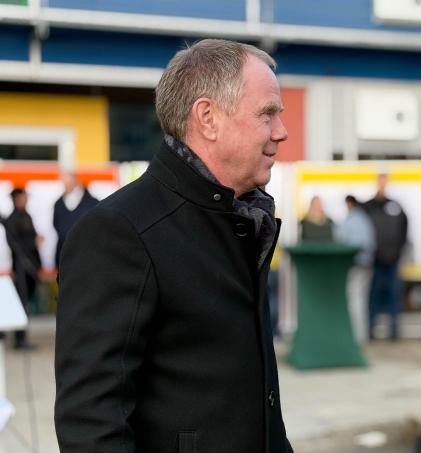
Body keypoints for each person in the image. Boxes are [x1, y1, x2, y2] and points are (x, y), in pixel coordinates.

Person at [55, 39, 294, 452]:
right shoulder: (119, 232)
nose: (281, 131)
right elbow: (91, 423)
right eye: (267, 114)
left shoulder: (240, 219)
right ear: (208, 118)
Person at [363, 174, 408, 340]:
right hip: (374, 261)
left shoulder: (395, 206)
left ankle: (394, 332)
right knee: (373, 296)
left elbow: (404, 228)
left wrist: (398, 251)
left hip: (393, 260)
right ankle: (370, 330)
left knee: (394, 296)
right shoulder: (368, 206)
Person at [3, 188, 42, 350]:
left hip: (30, 266)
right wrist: (34, 242)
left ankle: (22, 338)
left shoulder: (26, 215)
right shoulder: (13, 219)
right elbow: (15, 245)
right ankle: (20, 339)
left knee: (26, 302)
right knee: (22, 302)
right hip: (22, 268)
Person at [334, 194, 376, 343]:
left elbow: (340, 239)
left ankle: (356, 338)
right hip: (367, 265)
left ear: (349, 204)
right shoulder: (365, 220)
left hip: (355, 265)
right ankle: (362, 336)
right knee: (362, 301)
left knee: (354, 301)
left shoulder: (351, 221)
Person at [52, 171, 98, 267]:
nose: (65, 184)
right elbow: (56, 224)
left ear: (76, 181)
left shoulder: (92, 203)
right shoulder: (58, 203)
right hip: (64, 252)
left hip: (85, 253)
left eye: (68, 181)